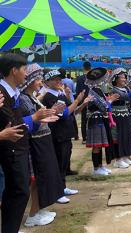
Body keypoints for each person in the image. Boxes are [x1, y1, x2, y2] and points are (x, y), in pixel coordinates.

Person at [0, 53, 55, 233]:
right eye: (24, 69)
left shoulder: (12, 92)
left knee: (18, 192)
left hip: (19, 148)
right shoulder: (3, 93)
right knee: (18, 192)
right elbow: (11, 125)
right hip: (11, 150)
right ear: (13, 71)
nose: (26, 74)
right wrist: (34, 117)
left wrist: (37, 118)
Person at [19, 63, 64, 227]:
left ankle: (39, 209)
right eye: (38, 79)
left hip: (43, 141)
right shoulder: (23, 99)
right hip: (36, 143)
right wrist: (42, 119)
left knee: (43, 178)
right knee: (37, 179)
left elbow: (37, 118)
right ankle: (32, 215)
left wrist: (48, 114)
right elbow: (30, 123)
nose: (40, 82)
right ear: (30, 80)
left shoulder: (30, 97)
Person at [42, 69, 85, 203]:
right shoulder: (49, 96)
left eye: (59, 78)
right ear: (47, 82)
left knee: (64, 161)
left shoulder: (60, 93)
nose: (58, 81)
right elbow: (64, 113)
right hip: (58, 134)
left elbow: (70, 112)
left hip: (65, 132)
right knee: (59, 161)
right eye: (55, 79)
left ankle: (62, 186)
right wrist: (77, 100)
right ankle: (58, 191)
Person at [85, 68, 118, 176]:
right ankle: (96, 168)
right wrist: (111, 100)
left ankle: (100, 166)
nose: (104, 81)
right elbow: (104, 106)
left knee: (99, 145)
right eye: (103, 79)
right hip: (96, 120)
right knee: (96, 145)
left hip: (99, 119)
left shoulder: (97, 90)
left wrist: (108, 101)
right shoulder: (95, 90)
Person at [109, 68, 131, 168]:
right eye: (122, 77)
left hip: (125, 115)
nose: (124, 79)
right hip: (117, 117)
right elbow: (127, 97)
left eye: (125, 77)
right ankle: (118, 159)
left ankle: (124, 156)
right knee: (118, 137)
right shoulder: (114, 90)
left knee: (126, 135)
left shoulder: (127, 89)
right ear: (116, 79)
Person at [76, 61, 91, 144]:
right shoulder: (93, 77)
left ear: (83, 68)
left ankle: (84, 138)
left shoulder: (79, 78)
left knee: (84, 120)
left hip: (84, 101)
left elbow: (78, 91)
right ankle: (92, 137)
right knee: (92, 119)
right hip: (93, 100)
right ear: (90, 68)